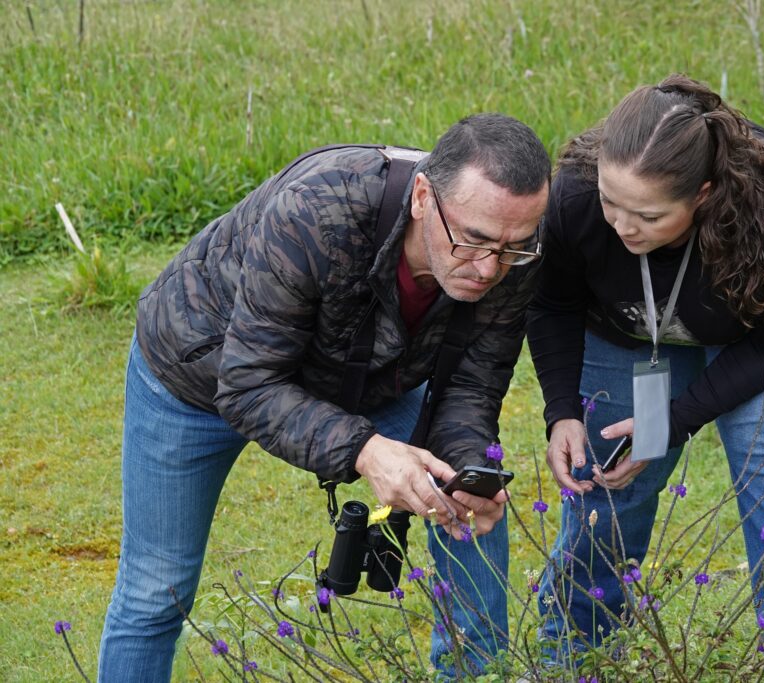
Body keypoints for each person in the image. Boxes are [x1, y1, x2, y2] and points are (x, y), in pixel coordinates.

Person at [97, 113, 551, 682]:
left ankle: (478, 676)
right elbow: (247, 386)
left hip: (373, 374)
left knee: (471, 508)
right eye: (474, 240)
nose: (490, 268)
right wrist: (367, 451)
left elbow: (469, 384)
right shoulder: (316, 212)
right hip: (202, 375)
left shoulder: (516, 241)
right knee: (155, 589)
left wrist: (462, 470)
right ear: (421, 196)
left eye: (513, 248)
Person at [527, 75, 764, 683]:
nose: (621, 227)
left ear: (704, 195)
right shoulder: (579, 197)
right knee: (609, 469)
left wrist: (676, 420)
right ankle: (576, 657)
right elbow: (553, 304)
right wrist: (562, 411)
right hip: (636, 317)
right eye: (612, 202)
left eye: (648, 215)